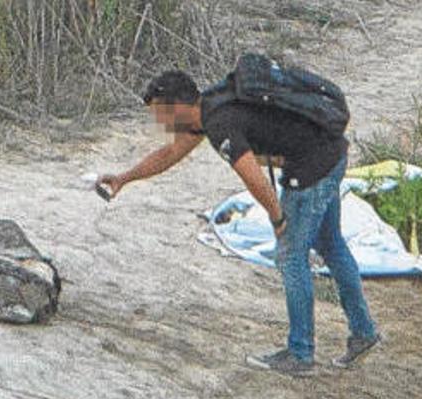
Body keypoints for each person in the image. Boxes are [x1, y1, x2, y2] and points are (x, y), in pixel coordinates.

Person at [96, 69, 381, 376]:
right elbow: (169, 154)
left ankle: (301, 354)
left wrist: (277, 217)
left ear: (177, 107)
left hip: (313, 167)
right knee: (331, 244)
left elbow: (252, 177)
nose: (160, 124)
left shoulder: (220, 124)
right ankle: (363, 332)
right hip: (330, 153)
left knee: (290, 256)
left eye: (161, 115)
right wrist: (125, 178)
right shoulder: (208, 109)